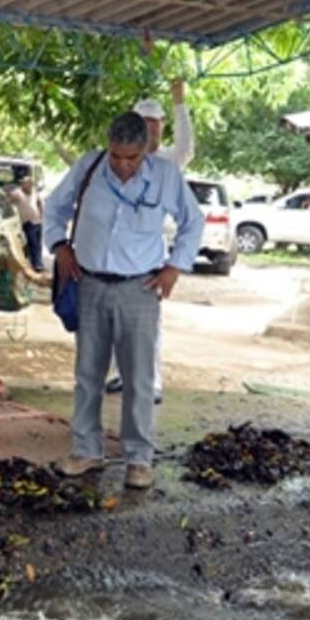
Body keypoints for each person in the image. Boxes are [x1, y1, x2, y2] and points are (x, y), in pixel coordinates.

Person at [44, 112, 202, 490]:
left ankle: (138, 458)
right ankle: (86, 449)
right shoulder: (89, 167)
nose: (122, 165)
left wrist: (175, 268)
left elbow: (192, 222)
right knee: (88, 374)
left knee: (139, 378)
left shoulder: (165, 176)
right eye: (116, 156)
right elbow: (54, 208)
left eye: (131, 158)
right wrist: (59, 245)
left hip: (140, 289)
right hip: (90, 283)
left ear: (146, 150)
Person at [106, 77, 194, 401]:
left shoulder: (169, 161)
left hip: (150, 256)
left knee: (148, 325)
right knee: (115, 320)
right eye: (144, 123)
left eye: (155, 123)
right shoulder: (115, 161)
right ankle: (119, 374)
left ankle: (152, 381)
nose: (151, 129)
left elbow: (187, 145)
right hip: (116, 254)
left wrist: (179, 102)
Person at [6, 174, 44, 271]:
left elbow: (39, 202)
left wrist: (41, 213)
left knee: (38, 244)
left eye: (29, 183)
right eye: (24, 183)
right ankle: (37, 264)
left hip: (38, 221)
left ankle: (38, 262)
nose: (25, 185)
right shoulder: (18, 193)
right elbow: (9, 199)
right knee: (33, 243)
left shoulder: (34, 192)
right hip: (28, 222)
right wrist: (9, 197)